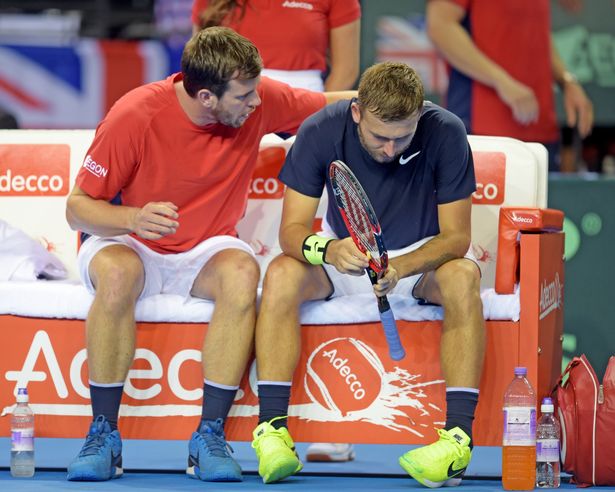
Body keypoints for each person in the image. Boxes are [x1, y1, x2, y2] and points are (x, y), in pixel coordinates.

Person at [64, 26, 354, 483]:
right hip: (129, 240)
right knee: (119, 273)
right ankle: (103, 434)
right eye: (243, 96)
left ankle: (210, 436)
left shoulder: (258, 98)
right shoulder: (135, 114)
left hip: (205, 247)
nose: (256, 103)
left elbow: (340, 104)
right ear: (205, 96)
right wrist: (132, 219)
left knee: (241, 271)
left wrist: (409, 106)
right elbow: (77, 209)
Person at [251, 61, 485, 487]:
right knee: (283, 273)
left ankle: (457, 440)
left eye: (403, 136)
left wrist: (400, 268)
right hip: (346, 255)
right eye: (380, 137)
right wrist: (329, 250)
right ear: (357, 112)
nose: (391, 149)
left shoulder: (446, 131)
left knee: (464, 276)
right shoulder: (321, 129)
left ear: (420, 115)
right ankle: (272, 431)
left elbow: (456, 239)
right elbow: (291, 233)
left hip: (417, 260)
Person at [193, 0, 361, 462]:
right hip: (234, 118)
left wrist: (325, 130)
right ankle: (251, 417)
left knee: (321, 253)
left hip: (306, 112)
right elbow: (202, 63)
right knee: (249, 261)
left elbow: (344, 71)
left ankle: (334, 422)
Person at [426, 0, 593, 172]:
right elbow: (440, 27)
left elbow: (536, 33)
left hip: (540, 131)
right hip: (483, 130)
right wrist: (501, 80)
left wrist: (567, 81)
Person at [191, 0, 361, 91]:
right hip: (228, 109)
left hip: (305, 108)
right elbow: (199, 63)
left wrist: (317, 117)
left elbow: (346, 70)